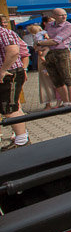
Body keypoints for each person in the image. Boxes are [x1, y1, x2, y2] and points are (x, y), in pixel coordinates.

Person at [0, 19, 30, 150]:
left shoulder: (4, 33)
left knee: (10, 108)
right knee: (12, 106)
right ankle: (21, 138)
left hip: (9, 73)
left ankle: (22, 140)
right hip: (8, 72)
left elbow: (14, 52)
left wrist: (3, 70)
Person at [38, 8, 71, 106]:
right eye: (61, 15)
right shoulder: (49, 25)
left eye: (65, 14)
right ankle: (65, 102)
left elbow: (56, 41)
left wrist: (39, 43)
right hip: (49, 53)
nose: (64, 17)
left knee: (67, 77)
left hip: (62, 52)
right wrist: (42, 43)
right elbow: (44, 36)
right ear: (54, 16)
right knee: (56, 80)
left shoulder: (68, 26)